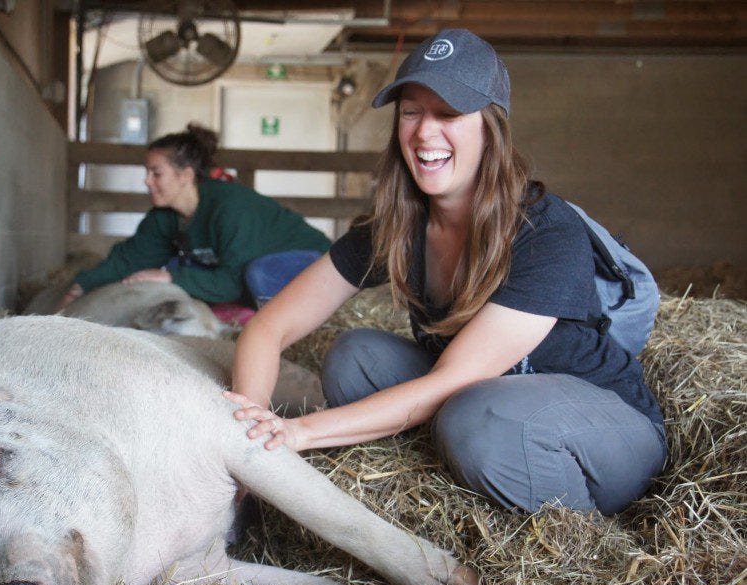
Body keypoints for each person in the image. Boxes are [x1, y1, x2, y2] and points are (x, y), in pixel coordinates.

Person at [224, 29, 666, 516]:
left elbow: (453, 380)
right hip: (480, 408)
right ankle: (467, 472)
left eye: (450, 113)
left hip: (601, 430)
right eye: (411, 111)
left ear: (490, 127)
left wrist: (298, 433)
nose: (425, 132)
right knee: (355, 356)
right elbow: (269, 326)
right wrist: (249, 427)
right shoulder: (397, 226)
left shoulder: (546, 231)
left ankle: (582, 538)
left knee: (479, 418)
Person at [60, 124, 332, 311]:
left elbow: (230, 282)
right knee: (175, 264)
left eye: (156, 173)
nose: (146, 181)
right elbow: (131, 259)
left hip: (312, 265)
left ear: (185, 176)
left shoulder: (230, 207)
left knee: (257, 275)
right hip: (246, 273)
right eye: (147, 172)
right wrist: (83, 285)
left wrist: (170, 278)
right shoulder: (165, 216)